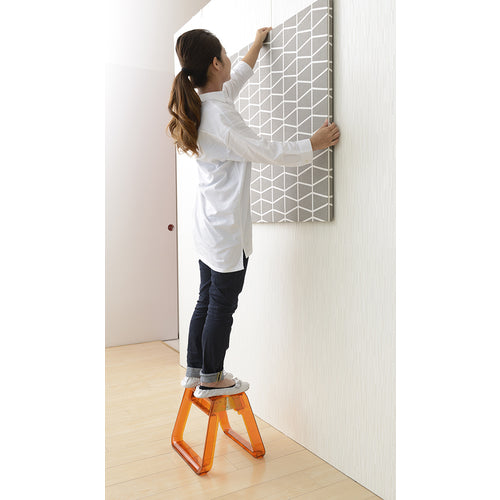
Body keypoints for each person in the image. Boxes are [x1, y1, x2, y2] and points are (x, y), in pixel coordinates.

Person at [167, 27, 340, 397]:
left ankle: (196, 370)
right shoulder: (220, 119)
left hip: (209, 226)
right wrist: (313, 143)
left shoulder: (208, 103)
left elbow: (237, 77)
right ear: (215, 64)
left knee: (206, 298)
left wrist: (258, 43)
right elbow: (265, 150)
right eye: (225, 53)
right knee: (221, 305)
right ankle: (212, 378)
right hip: (225, 230)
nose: (231, 58)